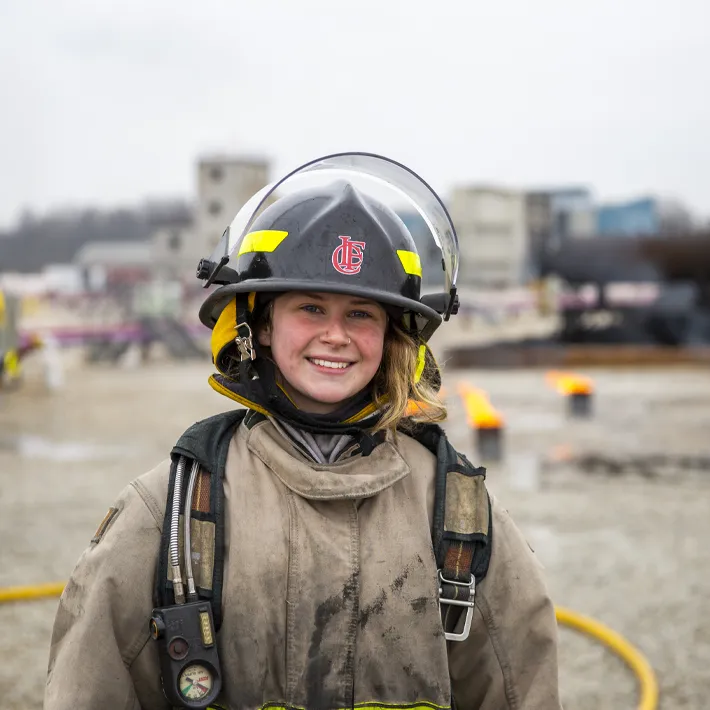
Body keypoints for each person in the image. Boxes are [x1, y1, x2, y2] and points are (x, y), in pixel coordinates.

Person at [45, 154, 562, 710]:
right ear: (261, 326)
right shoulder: (167, 513)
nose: (335, 335)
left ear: (394, 336)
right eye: (310, 308)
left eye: (361, 313)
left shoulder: (461, 516)